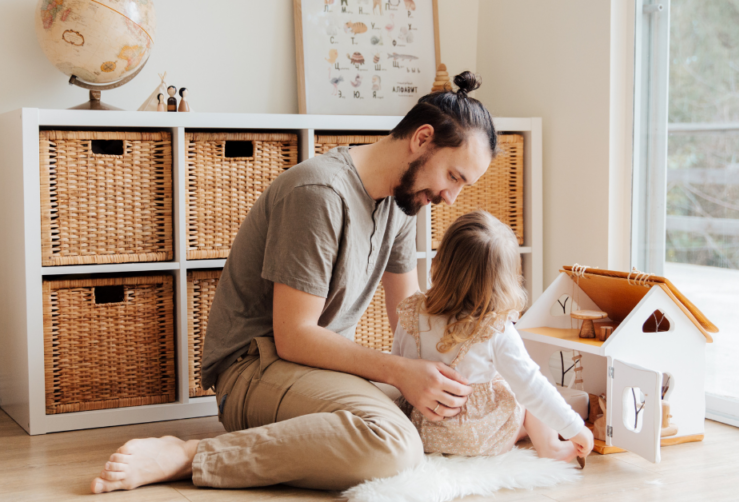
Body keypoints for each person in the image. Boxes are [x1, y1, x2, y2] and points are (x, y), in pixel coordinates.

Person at [92, 72, 498, 493]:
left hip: (320, 370)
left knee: (448, 408)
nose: (451, 197)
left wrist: (465, 368)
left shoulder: (400, 202)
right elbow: (294, 336)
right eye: (453, 177)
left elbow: (409, 319)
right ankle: (192, 455)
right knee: (395, 445)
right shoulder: (320, 193)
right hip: (255, 369)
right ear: (422, 139)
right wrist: (402, 374)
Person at [391, 210, 593, 466]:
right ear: (504, 282)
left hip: (424, 431)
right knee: (524, 389)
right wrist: (577, 428)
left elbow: (398, 364)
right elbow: (533, 388)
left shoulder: (411, 312)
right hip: (478, 440)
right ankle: (550, 446)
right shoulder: (495, 329)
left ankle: (525, 433)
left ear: (439, 262)